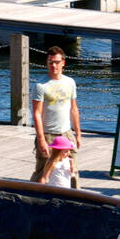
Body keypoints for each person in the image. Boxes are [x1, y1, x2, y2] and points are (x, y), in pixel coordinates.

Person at [32, 46, 81, 186]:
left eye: (57, 62)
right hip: (48, 134)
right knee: (42, 171)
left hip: (66, 133)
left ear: (63, 63)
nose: (53, 65)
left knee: (72, 171)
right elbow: (36, 113)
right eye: (50, 62)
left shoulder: (70, 82)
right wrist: (41, 139)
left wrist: (77, 133)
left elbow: (74, 109)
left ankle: (75, 199)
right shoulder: (40, 85)